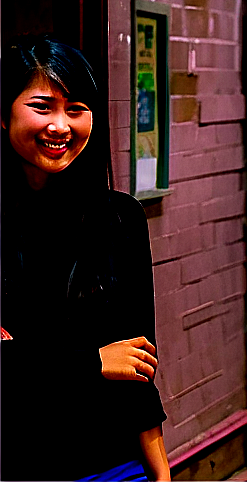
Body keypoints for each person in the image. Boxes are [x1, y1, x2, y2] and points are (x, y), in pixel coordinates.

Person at [1, 36, 170, 482]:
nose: (61, 125)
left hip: (113, 464)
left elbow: (137, 366)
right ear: (3, 114)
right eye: (42, 106)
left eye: (75, 108)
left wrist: (162, 475)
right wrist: (94, 361)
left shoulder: (120, 218)